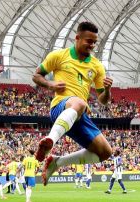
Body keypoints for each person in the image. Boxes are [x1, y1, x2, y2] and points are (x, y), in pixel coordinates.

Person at [32, 21, 113, 186]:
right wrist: (50, 84)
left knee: (105, 153)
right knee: (80, 102)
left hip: (79, 115)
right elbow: (37, 75)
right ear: (77, 38)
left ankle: (57, 162)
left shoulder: (97, 66)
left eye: (94, 42)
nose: (91, 45)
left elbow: (102, 100)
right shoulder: (58, 56)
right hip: (60, 108)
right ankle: (50, 141)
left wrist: (107, 90)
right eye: (88, 41)